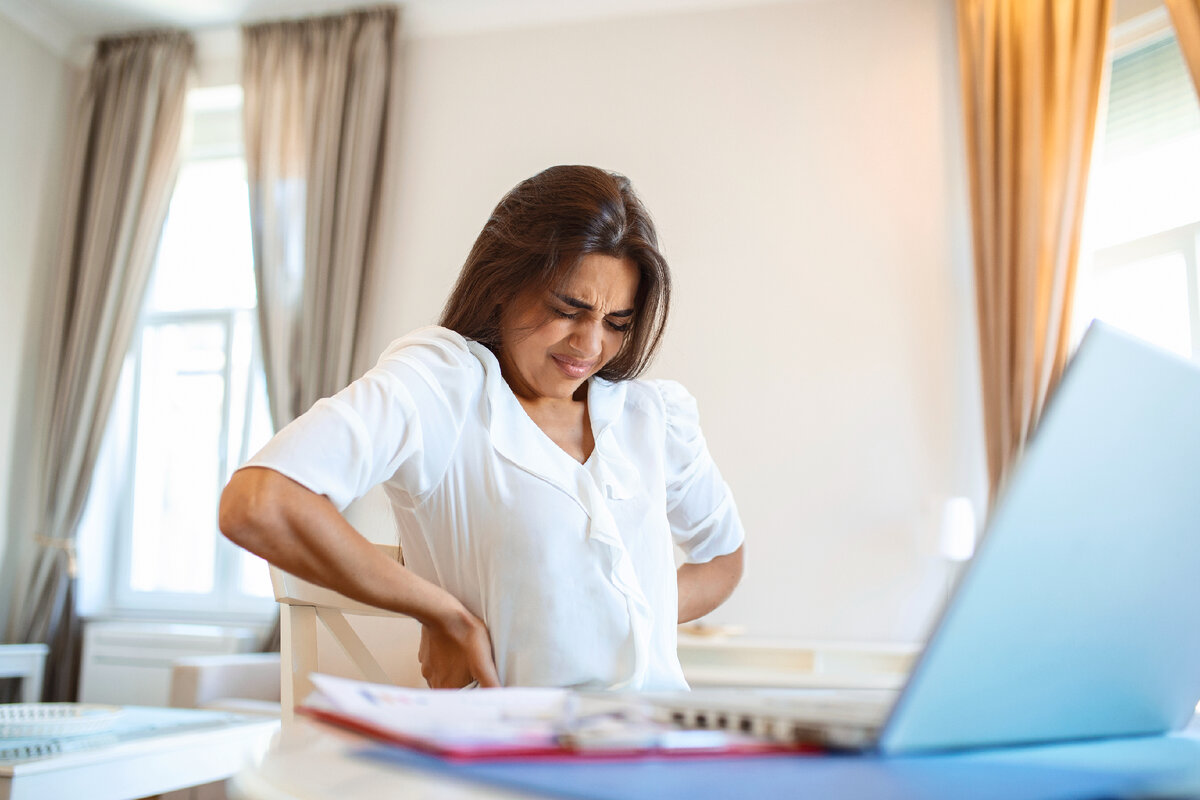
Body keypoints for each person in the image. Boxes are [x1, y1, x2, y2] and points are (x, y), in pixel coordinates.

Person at [219, 165, 745, 691]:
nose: (589, 346)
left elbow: (723, 558)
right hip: (512, 751)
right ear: (501, 286)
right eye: (568, 310)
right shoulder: (444, 386)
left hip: (658, 745)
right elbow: (259, 503)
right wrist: (440, 612)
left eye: (616, 323)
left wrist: (612, 615)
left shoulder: (650, 416)